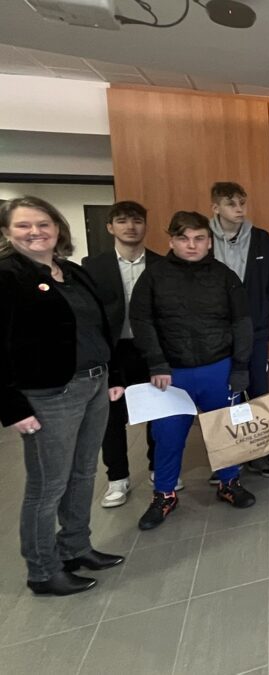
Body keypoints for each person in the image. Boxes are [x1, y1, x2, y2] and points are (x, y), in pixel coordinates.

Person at [1, 196, 126, 596]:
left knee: (85, 472)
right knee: (46, 486)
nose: (35, 232)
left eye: (43, 223)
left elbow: (100, 326)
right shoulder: (7, 276)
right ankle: (42, 570)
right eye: (23, 225)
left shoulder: (72, 272)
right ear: (7, 233)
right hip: (50, 394)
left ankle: (76, 547)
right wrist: (11, 406)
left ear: (58, 228)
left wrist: (111, 374)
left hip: (93, 383)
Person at [130, 211, 257, 530]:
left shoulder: (225, 276)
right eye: (184, 239)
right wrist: (157, 363)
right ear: (171, 241)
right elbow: (142, 322)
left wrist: (241, 366)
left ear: (209, 241)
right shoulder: (153, 277)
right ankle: (165, 494)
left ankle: (229, 483)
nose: (192, 245)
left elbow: (242, 322)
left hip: (219, 367)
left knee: (226, 431)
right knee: (168, 438)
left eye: (199, 238)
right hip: (172, 374)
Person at [81, 201, 163, 507]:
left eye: (138, 220)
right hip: (111, 352)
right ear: (110, 227)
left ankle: (158, 468)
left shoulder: (160, 263)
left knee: (157, 412)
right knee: (110, 418)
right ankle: (117, 479)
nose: (131, 226)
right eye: (123, 221)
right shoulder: (93, 266)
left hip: (150, 349)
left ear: (145, 225)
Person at [208, 182, 269, 478]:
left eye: (242, 202)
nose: (238, 209)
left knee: (259, 390)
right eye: (231, 203)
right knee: (222, 393)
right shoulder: (203, 240)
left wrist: (265, 308)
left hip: (256, 328)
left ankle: (263, 454)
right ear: (215, 208)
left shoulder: (261, 238)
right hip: (216, 332)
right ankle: (228, 456)